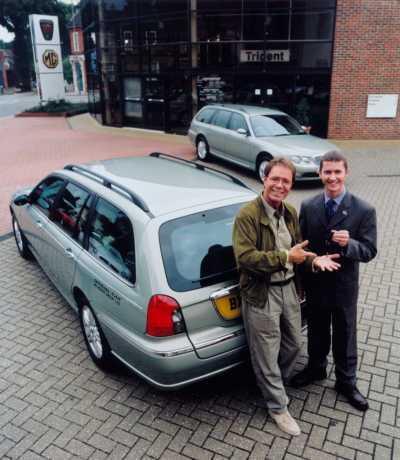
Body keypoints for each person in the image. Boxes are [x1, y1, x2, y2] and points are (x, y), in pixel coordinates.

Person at [232, 158, 339, 436]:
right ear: (264, 179)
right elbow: (245, 259)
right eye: (275, 179)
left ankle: (270, 382)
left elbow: (298, 253)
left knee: (292, 343)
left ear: (291, 186)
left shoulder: (290, 212)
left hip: (289, 288)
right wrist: (284, 257)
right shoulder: (247, 215)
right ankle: (277, 406)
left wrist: (314, 261)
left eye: (286, 181)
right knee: (266, 352)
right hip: (261, 291)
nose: (280, 185)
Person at [291, 151, 377, 412]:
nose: (332, 177)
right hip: (316, 283)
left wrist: (349, 244)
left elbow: (370, 250)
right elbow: (302, 246)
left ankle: (346, 382)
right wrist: (302, 279)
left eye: (337, 172)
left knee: (345, 334)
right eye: (327, 172)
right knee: (317, 330)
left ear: (346, 173)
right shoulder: (308, 206)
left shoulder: (364, 209)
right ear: (320, 173)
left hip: (343, 287)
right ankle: (316, 369)